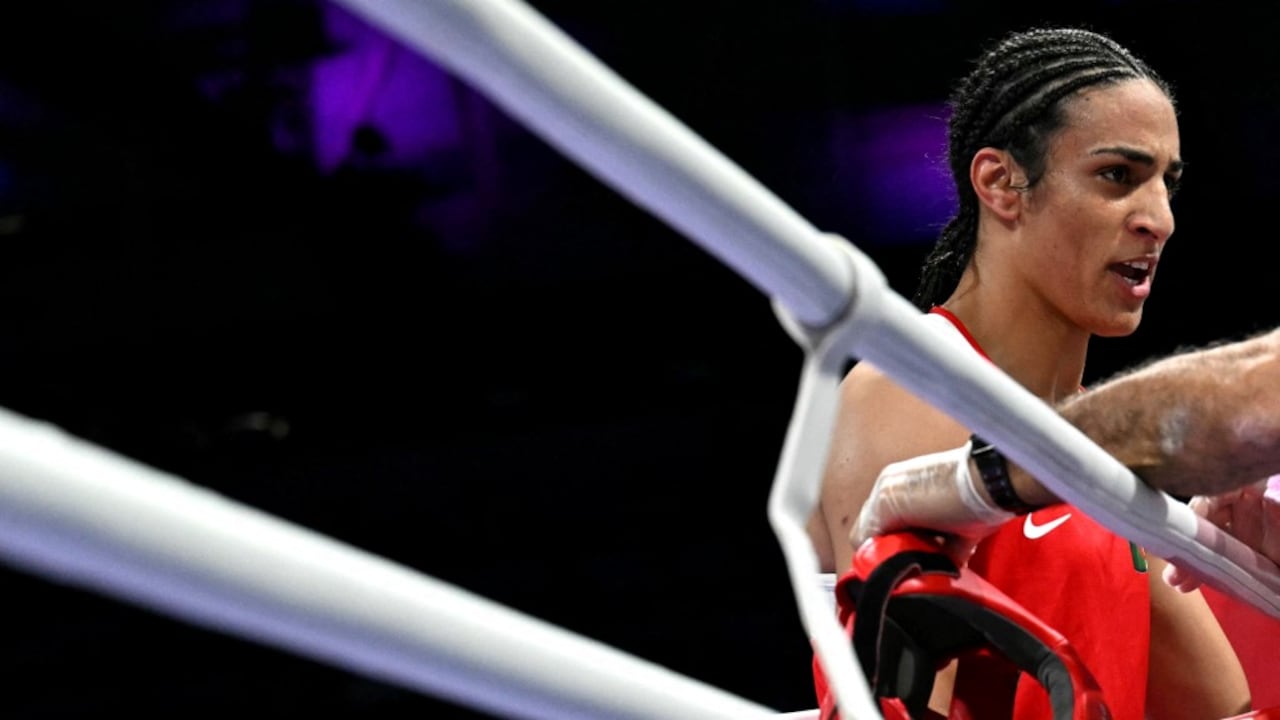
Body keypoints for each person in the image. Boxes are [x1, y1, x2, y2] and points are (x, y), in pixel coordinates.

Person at [806, 25, 1253, 720]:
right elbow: (900, 705)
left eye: (1167, 183)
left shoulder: (1102, 461)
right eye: (1117, 176)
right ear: (1001, 183)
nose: (1159, 219)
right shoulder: (910, 388)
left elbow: (1227, 710)